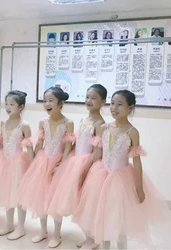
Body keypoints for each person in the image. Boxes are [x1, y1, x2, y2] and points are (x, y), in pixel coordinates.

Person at [73, 90, 171, 249]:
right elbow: (98, 154)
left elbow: (137, 161)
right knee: (102, 220)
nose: (114, 108)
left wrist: (139, 187)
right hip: (100, 177)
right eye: (112, 103)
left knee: (120, 223)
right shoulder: (104, 127)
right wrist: (85, 172)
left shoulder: (132, 132)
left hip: (121, 181)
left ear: (130, 108)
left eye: (120, 104)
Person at [19, 87, 74, 248]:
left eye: (51, 100)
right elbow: (40, 144)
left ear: (60, 103)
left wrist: (61, 164)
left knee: (56, 200)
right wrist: (34, 161)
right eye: (45, 100)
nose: (47, 104)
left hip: (59, 162)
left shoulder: (67, 123)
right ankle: (43, 231)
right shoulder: (43, 121)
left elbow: (68, 147)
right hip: (43, 161)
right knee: (40, 197)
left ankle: (57, 235)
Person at [47, 84, 107, 223]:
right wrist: (65, 161)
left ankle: (91, 238)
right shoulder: (84, 120)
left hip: (89, 164)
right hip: (75, 161)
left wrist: (85, 170)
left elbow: (97, 152)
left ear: (103, 102)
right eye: (87, 97)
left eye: (93, 98)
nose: (89, 100)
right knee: (71, 198)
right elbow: (77, 143)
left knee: (87, 201)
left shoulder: (100, 124)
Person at [0, 90, 34, 240]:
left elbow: (28, 146)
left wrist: (32, 165)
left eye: (12, 104)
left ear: (21, 106)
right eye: (7, 104)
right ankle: (9, 224)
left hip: (18, 163)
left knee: (19, 196)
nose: (8, 107)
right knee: (6, 193)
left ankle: (21, 227)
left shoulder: (24, 125)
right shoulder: (3, 122)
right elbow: (2, 143)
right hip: (3, 161)